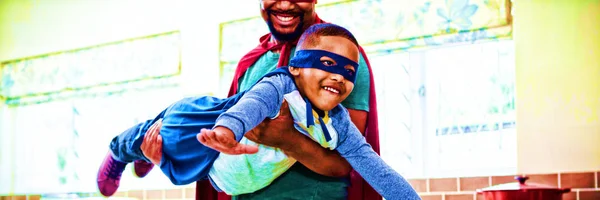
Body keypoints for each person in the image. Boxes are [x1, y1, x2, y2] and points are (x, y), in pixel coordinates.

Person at [97, 23, 419, 200]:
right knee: (155, 134)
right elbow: (250, 107)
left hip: (228, 172)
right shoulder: (280, 86)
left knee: (170, 157)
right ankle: (119, 153)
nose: (339, 76)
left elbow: (377, 170)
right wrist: (226, 132)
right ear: (295, 68)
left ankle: (148, 157)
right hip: (206, 130)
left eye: (348, 70)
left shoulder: (339, 123)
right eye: (327, 65)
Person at [140, 1, 382, 200]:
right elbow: (224, 153)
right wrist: (169, 161)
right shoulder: (251, 63)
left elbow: (344, 163)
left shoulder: (341, 60)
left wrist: (288, 140)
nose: (285, 4)